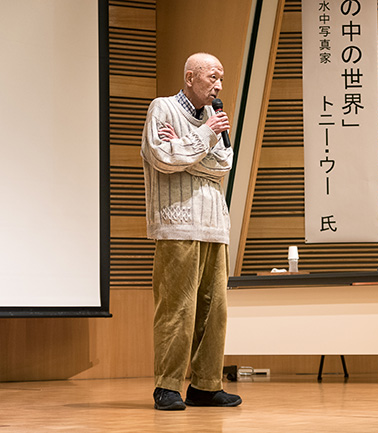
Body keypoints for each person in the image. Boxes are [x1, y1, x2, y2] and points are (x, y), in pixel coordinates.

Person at [140, 52, 241, 411]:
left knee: (215, 311)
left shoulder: (214, 118)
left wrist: (187, 145)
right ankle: (167, 386)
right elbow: (162, 157)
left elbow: (224, 165)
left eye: (221, 78)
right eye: (212, 77)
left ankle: (205, 385)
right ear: (189, 77)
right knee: (177, 308)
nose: (218, 85)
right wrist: (202, 138)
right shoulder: (162, 109)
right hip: (177, 223)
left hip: (215, 224)